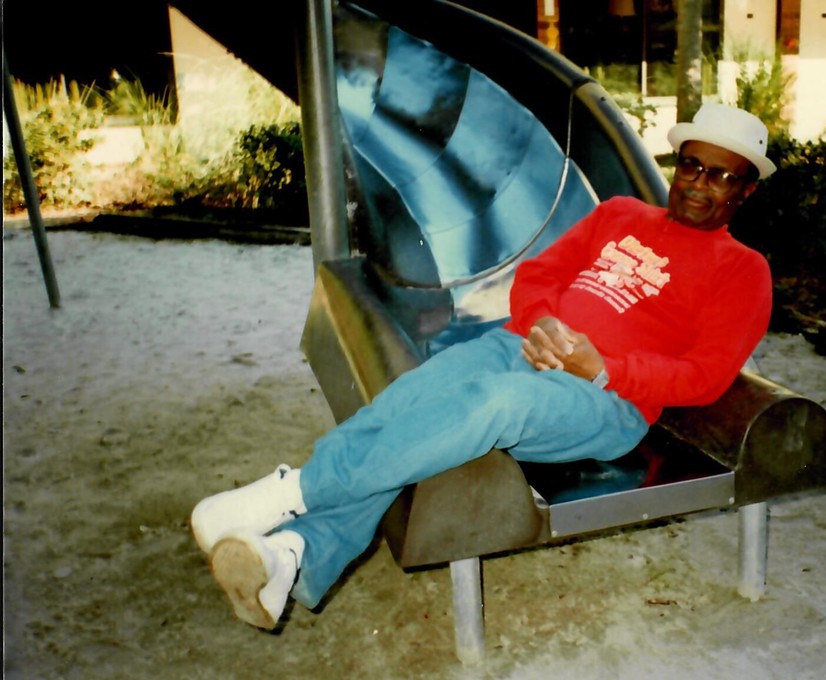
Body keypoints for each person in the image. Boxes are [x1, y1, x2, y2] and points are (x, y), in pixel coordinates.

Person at [191, 102, 777, 629]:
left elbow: (705, 376)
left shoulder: (743, 270)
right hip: (518, 345)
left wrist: (604, 367)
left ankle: (293, 490)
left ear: (746, 190)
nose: (700, 183)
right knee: (414, 398)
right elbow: (540, 275)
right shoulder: (620, 214)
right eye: (692, 165)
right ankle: (292, 556)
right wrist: (542, 322)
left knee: (493, 404)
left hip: (604, 400)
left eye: (722, 175)